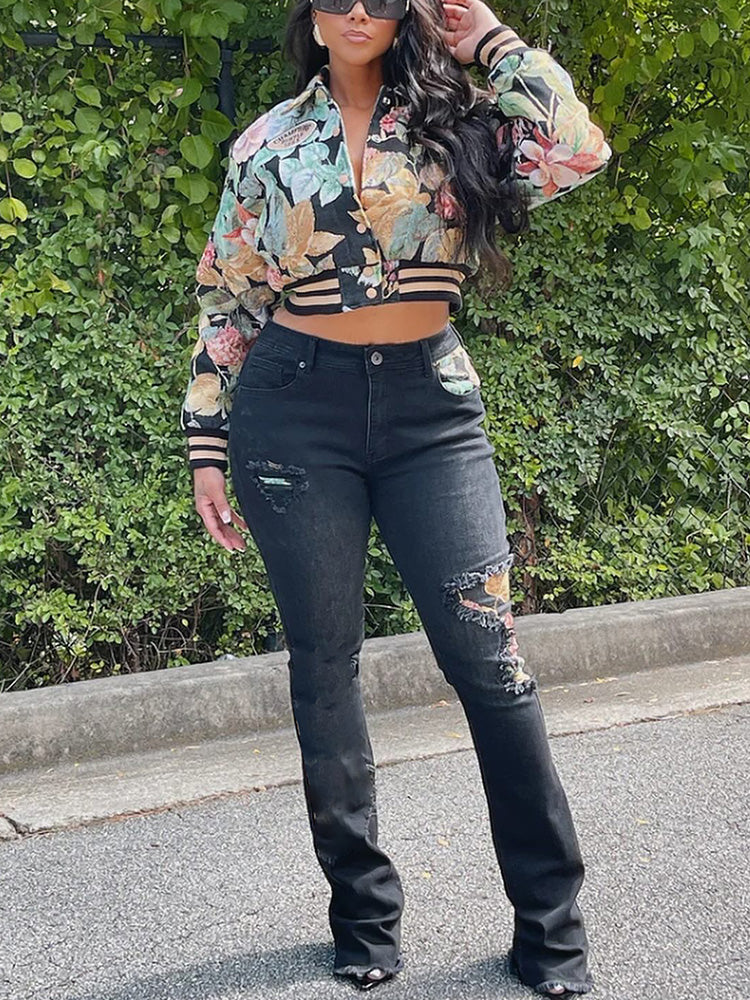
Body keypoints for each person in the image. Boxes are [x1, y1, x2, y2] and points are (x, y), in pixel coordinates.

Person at [180, 0, 612, 993]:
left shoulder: (461, 124)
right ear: (310, 12)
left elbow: (578, 148)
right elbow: (229, 296)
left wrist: (490, 42)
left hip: (433, 414)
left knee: (492, 662)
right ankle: (364, 919)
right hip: (295, 410)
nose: (359, 11)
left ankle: (551, 929)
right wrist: (206, 441)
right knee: (324, 667)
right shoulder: (268, 143)